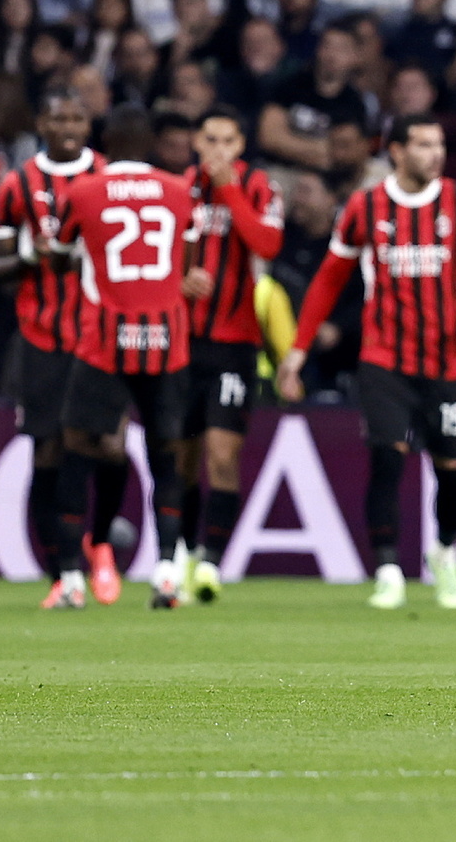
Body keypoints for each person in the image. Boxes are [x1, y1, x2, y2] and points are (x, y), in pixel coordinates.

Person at [278, 118, 456, 611]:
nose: (435, 153)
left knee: (453, 471)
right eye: (423, 145)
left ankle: (443, 553)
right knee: (387, 457)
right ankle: (388, 569)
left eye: (439, 143)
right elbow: (328, 281)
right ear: (396, 151)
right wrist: (297, 349)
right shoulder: (366, 207)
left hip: (444, 362)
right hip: (384, 360)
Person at [50, 106, 199, 611]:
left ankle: (71, 578)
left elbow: (59, 252)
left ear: (104, 140)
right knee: (167, 458)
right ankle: (165, 574)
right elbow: (189, 263)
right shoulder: (179, 192)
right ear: (152, 144)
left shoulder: (84, 192)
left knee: (75, 452)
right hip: (166, 341)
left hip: (104, 343)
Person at [0, 93, 102, 608]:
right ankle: (64, 570)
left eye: (76, 117)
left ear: (88, 122)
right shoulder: (16, 185)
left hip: (100, 336)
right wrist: (32, 256)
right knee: (49, 450)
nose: (67, 126)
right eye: (57, 117)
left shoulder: (110, 179)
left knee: (106, 447)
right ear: (42, 122)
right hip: (42, 338)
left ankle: (101, 549)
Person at [173, 109, 284, 604]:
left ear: (240, 146)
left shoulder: (260, 187)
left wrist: (230, 191)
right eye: (210, 139)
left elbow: (267, 242)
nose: (217, 149)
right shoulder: (175, 189)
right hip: (181, 343)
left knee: (222, 454)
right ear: (197, 141)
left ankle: (211, 564)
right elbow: (153, 260)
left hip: (235, 346)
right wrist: (178, 281)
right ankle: (181, 552)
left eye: (227, 140)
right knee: (181, 457)